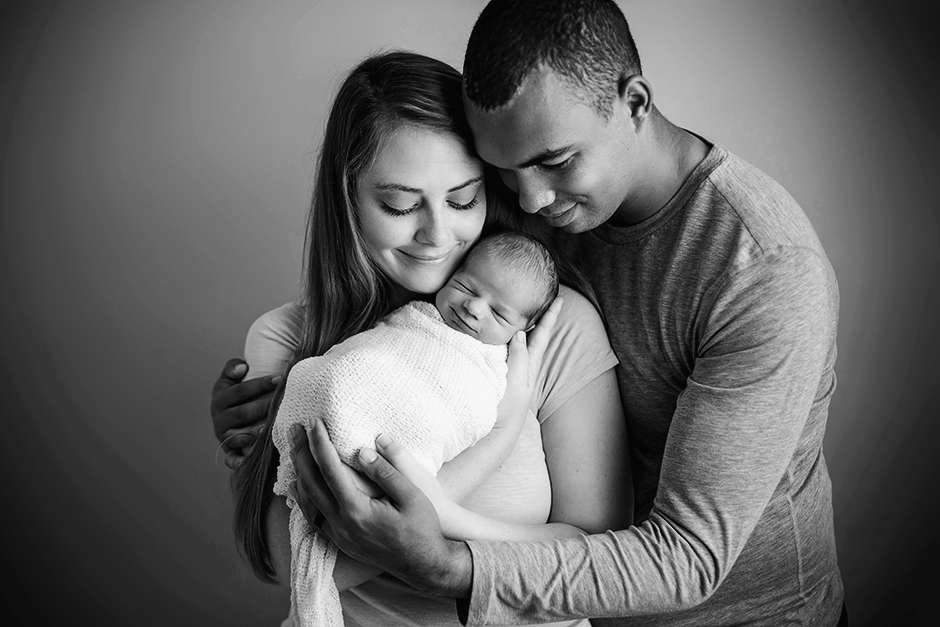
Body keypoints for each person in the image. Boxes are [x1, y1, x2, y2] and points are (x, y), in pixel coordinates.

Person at [285, 1, 846, 626]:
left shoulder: (761, 268)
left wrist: (447, 563)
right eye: (501, 172)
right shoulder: (529, 211)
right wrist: (293, 395)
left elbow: (690, 559)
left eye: (553, 162)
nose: (530, 198)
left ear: (633, 103)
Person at [213, 49, 632, 627]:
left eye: (464, 199)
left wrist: (442, 549)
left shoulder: (551, 327)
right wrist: (494, 442)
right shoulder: (290, 338)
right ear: (349, 199)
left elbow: (600, 558)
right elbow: (302, 566)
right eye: (401, 204)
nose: (438, 234)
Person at [272, 232, 561, 626]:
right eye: (465, 286)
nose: (474, 307)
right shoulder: (410, 319)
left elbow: (594, 545)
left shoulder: (497, 370)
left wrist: (501, 428)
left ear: (523, 330)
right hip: (335, 428)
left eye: (500, 314)